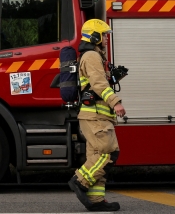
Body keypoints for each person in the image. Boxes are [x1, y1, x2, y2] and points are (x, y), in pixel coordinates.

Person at [68, 19, 126, 212]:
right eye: (104, 35)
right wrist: (115, 102)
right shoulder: (92, 55)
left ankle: (96, 200)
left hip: (95, 115)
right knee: (108, 153)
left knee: (97, 155)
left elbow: (98, 82)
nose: (106, 39)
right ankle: (80, 181)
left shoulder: (92, 56)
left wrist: (113, 77)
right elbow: (99, 85)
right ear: (94, 36)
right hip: (96, 115)